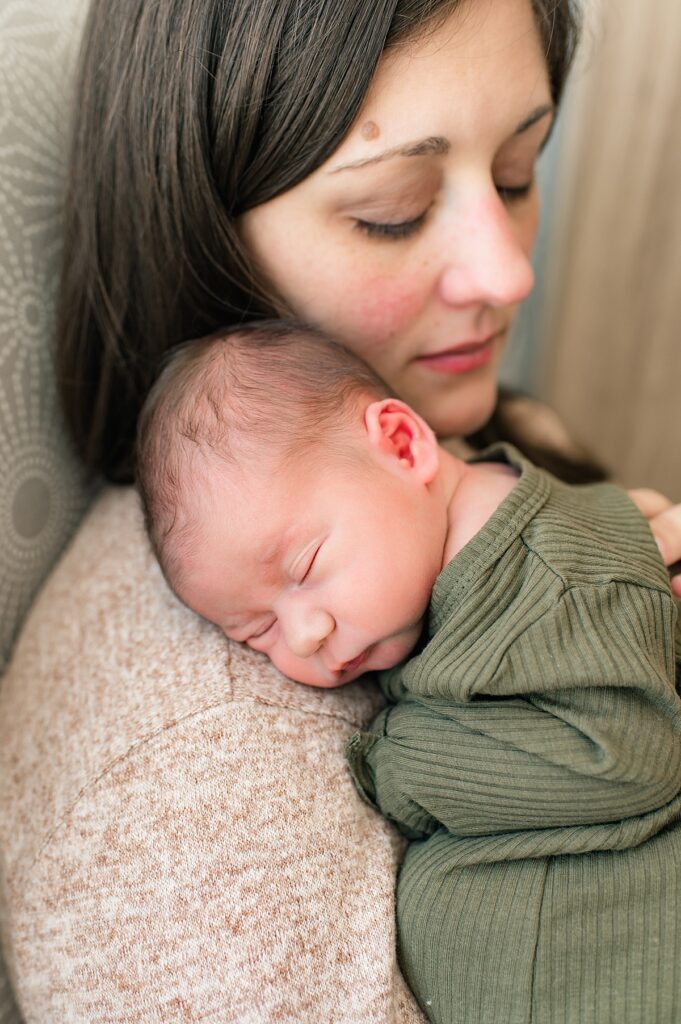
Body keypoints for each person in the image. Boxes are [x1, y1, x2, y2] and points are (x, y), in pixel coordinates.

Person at [2, 0, 681, 1020]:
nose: (511, 273)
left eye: (517, 173)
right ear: (205, 222)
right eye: (394, 209)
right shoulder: (181, 796)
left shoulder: (490, 446)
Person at [136, 320, 681, 1023]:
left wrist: (396, 761)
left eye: (303, 568)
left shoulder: (550, 572)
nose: (305, 633)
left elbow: (621, 756)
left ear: (401, 445)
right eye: (255, 630)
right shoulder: (448, 567)